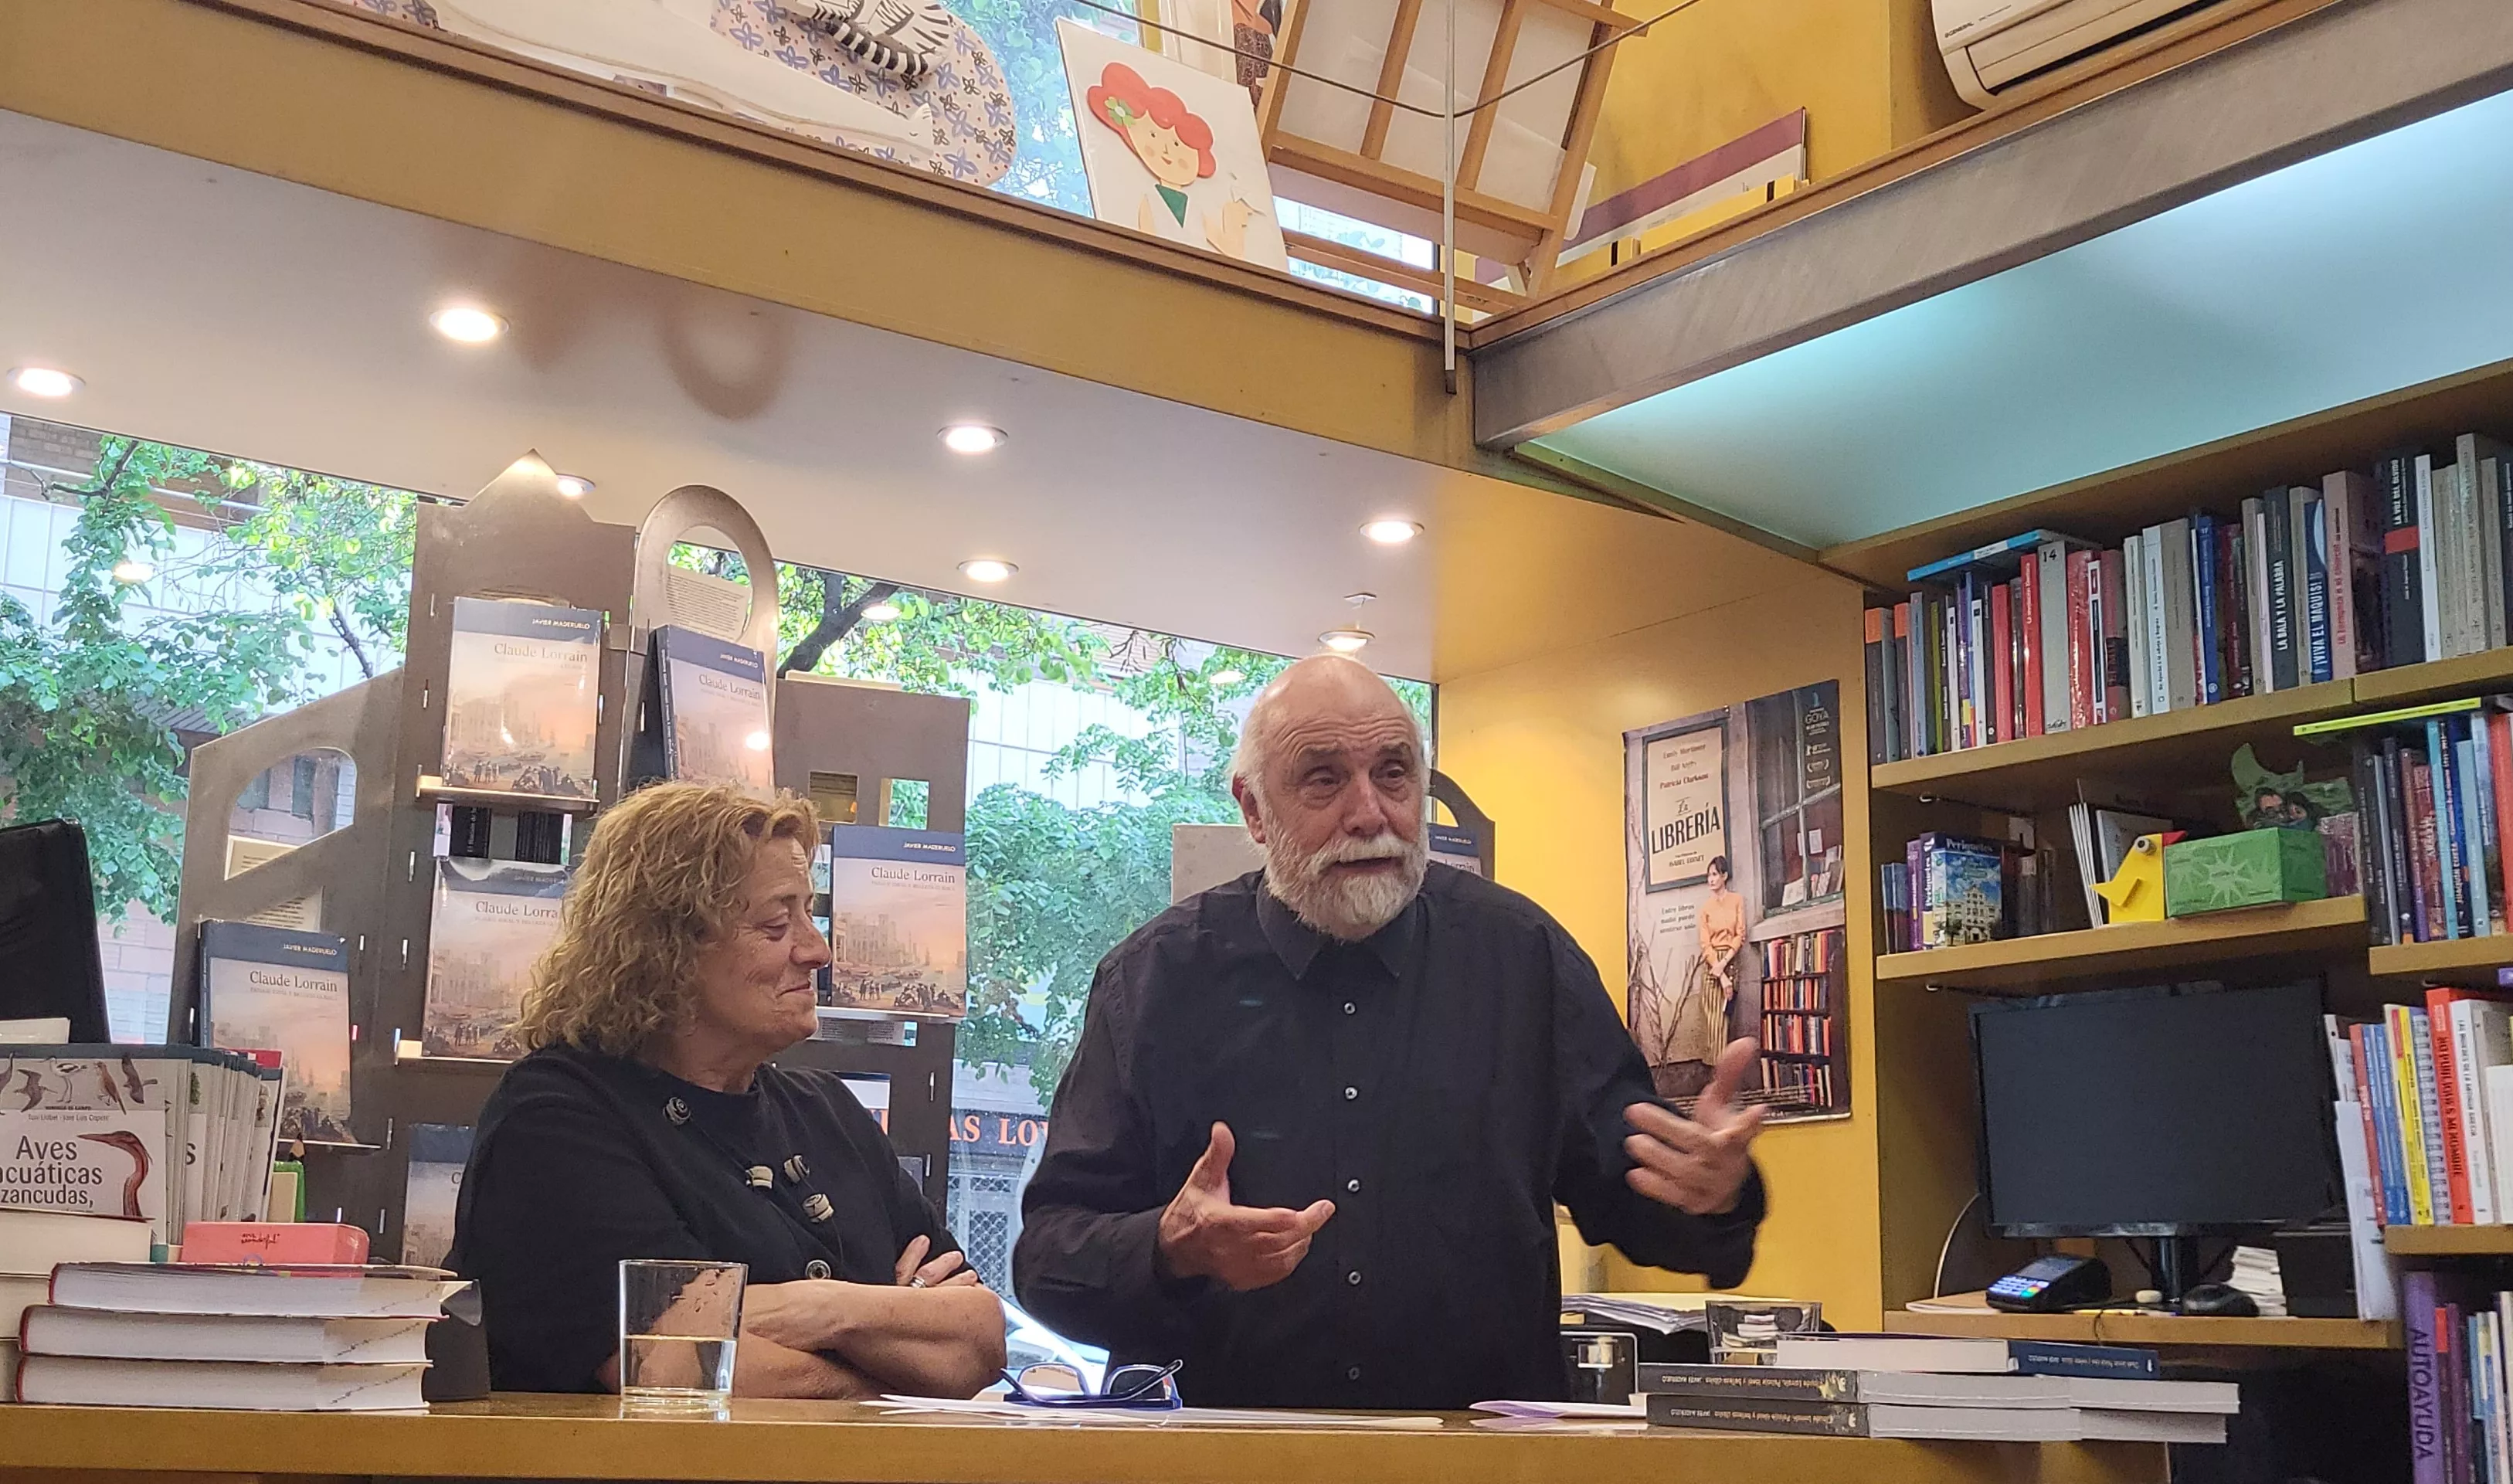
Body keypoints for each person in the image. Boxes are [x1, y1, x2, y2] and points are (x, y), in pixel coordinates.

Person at [1012, 655, 1768, 1409]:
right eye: (1323, 777)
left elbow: (1637, 1198)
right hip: (1226, 1464)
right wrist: (1169, 1247)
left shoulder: (1524, 961)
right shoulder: (1153, 981)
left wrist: (1715, 1193)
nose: (1369, 812)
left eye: (1394, 773)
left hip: (1475, 1470)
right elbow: (1047, 1257)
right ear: (1252, 809)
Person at [449, 782, 1005, 1398]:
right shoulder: (556, 1119)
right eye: (775, 924)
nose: (817, 950)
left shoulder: (829, 1113)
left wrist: (821, 1308)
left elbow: (977, 1340)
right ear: (665, 947)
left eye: (808, 914)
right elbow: (674, 1370)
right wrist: (891, 1344)